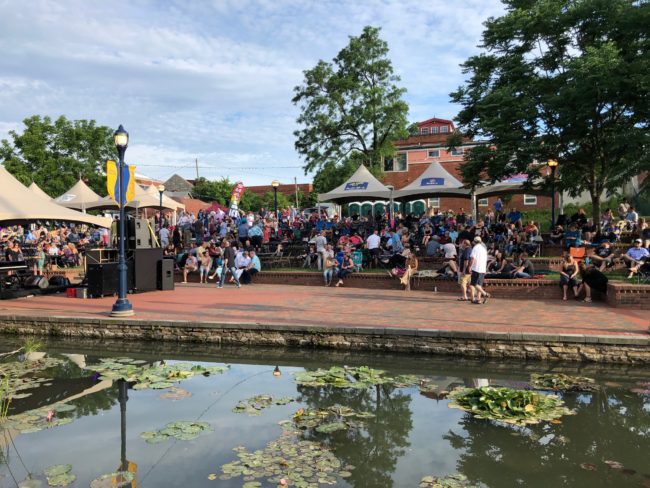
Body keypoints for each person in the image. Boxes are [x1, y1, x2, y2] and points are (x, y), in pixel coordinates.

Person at [468, 236, 489, 304]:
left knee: (473, 283)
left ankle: (485, 294)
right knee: (479, 284)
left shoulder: (475, 248)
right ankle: (478, 299)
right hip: (482, 268)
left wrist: (470, 266)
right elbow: (486, 260)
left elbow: (473, 258)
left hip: (476, 268)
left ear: (474, 241)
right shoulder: (483, 249)